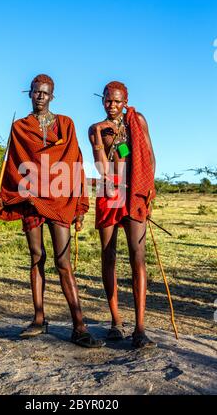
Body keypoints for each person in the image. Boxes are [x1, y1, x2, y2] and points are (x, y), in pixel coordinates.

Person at [0, 74, 104, 348]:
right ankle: (39, 319)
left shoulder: (65, 124)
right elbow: (13, 169)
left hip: (60, 199)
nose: (40, 96)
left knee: (63, 263)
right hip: (30, 199)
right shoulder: (19, 127)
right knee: (36, 256)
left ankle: (79, 326)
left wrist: (79, 204)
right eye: (36, 92)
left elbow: (75, 162)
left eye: (45, 93)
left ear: (52, 96)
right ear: (29, 94)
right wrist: (2, 200)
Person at [88, 81, 156, 348]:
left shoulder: (137, 121)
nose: (112, 105)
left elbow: (149, 157)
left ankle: (140, 328)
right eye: (107, 100)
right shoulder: (96, 129)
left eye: (117, 101)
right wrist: (96, 135)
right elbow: (103, 169)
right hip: (109, 193)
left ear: (125, 100)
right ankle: (116, 322)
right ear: (102, 100)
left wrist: (148, 189)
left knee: (137, 256)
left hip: (135, 192)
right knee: (108, 255)